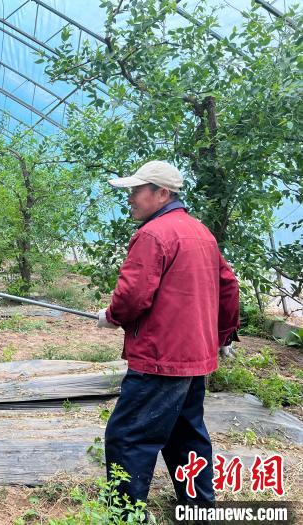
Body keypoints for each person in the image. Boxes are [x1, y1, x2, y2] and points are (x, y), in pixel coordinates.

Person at [96, 160, 240, 506]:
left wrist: (111, 315)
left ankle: (126, 515)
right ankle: (200, 508)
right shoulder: (200, 231)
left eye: (136, 190)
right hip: (193, 358)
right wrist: (221, 336)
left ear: (162, 193)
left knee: (128, 437)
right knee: (186, 437)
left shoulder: (153, 234)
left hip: (161, 359)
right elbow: (229, 286)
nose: (130, 198)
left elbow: (133, 296)